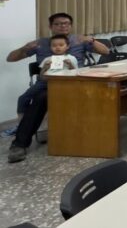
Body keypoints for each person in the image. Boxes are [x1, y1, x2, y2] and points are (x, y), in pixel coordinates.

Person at [6, 13, 110, 162]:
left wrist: (92, 40)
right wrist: (24, 48)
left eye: (66, 23)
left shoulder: (79, 40)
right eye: (58, 24)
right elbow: (10, 58)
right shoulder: (40, 43)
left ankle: (94, 136)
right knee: (40, 98)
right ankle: (19, 144)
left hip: (74, 82)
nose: (62, 26)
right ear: (50, 26)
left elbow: (106, 51)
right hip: (46, 84)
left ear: (71, 26)